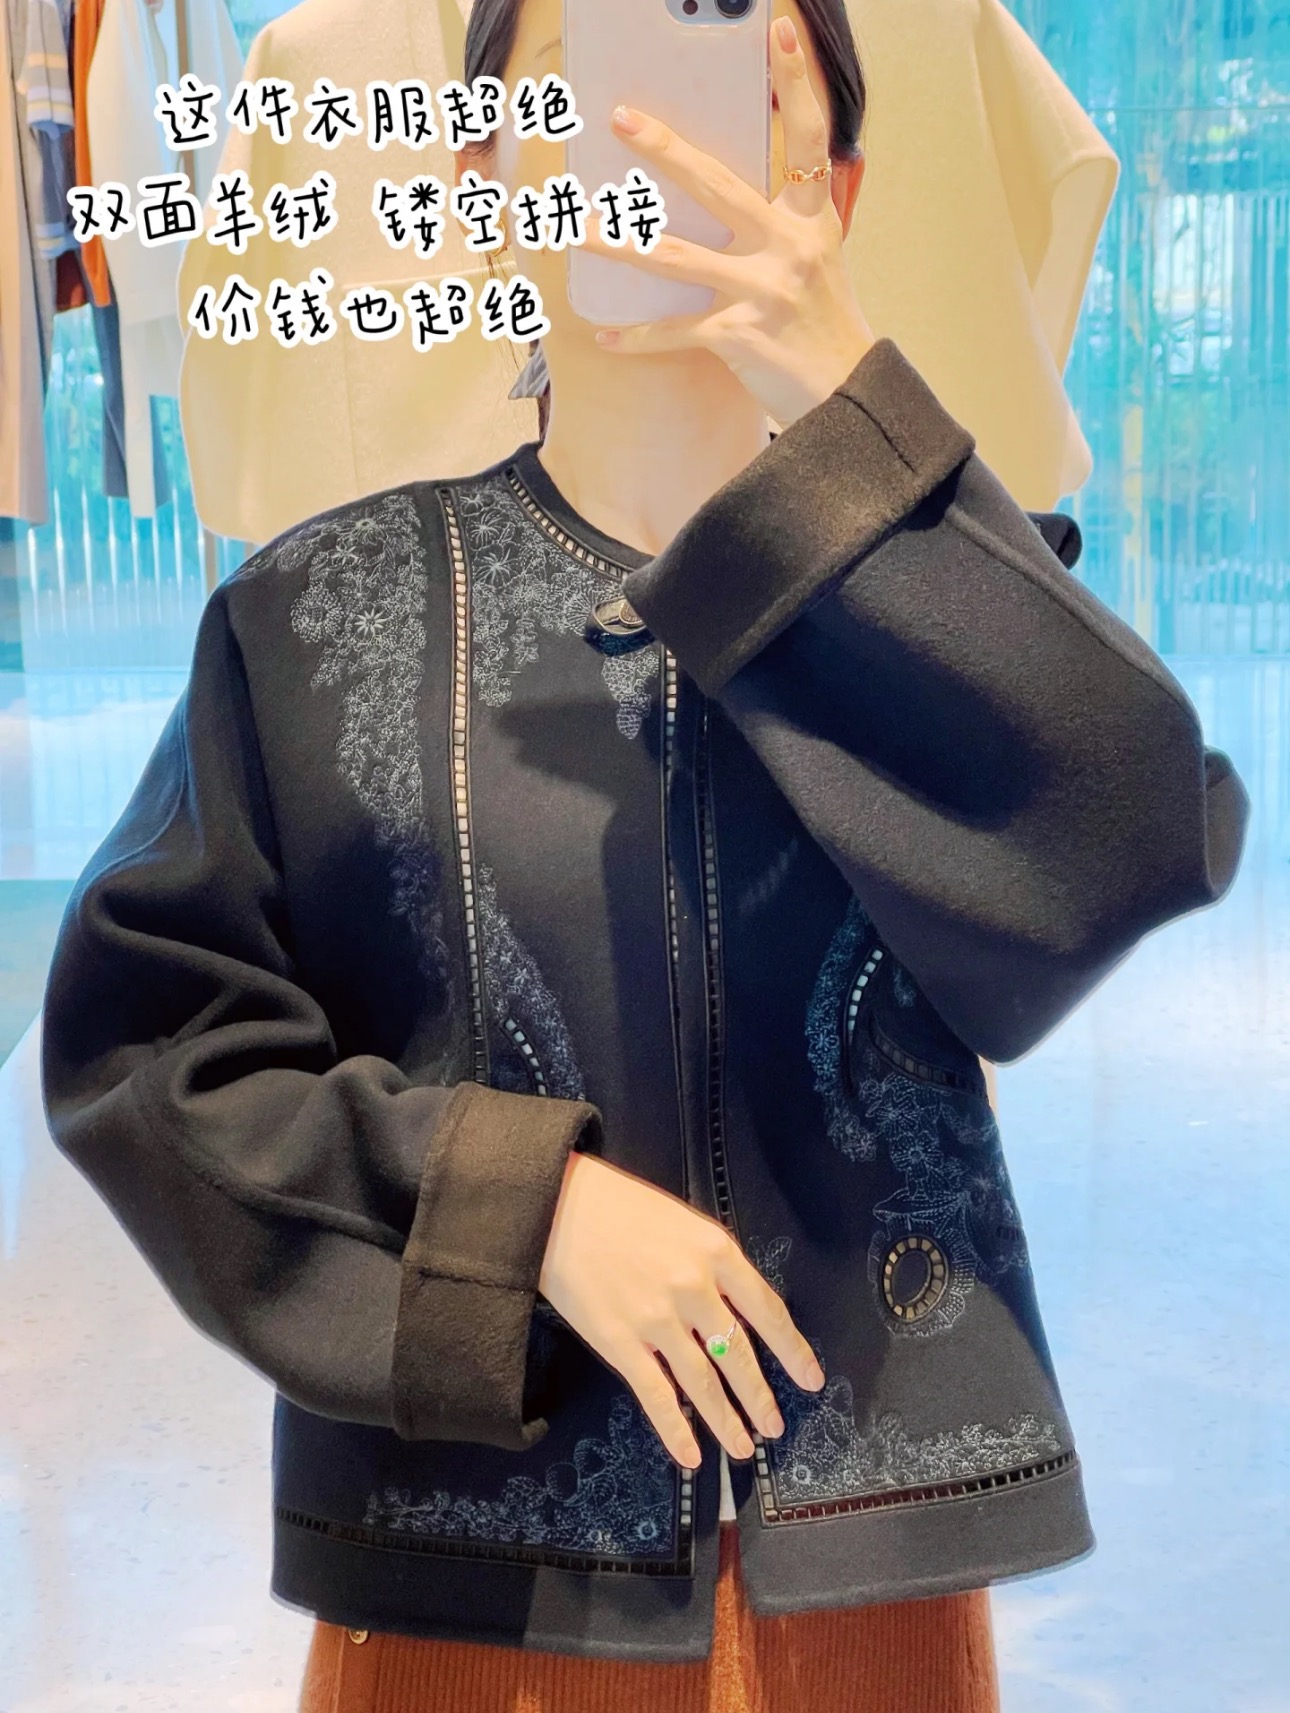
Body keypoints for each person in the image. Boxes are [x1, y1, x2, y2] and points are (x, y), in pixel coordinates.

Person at [39, 0, 1249, 1708]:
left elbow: (1135, 832)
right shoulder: (311, 620)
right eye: (580, 86)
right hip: (466, 1593)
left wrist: (853, 413)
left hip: (867, 1595)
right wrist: (514, 1210)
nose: (646, 141)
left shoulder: (946, 596)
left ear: (830, 184)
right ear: (486, 182)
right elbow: (153, 1057)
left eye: (736, 76)